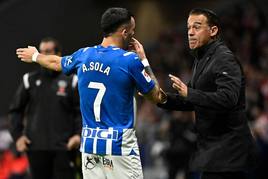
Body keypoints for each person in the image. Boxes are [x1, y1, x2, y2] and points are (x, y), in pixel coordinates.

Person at [16, 7, 167, 179]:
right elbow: (156, 97)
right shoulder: (130, 61)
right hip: (118, 147)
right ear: (124, 32)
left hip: (90, 146)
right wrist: (144, 60)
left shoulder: (84, 55)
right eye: (132, 31)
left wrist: (36, 56)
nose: (133, 35)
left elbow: (56, 62)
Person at [158, 8, 258, 179]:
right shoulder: (201, 59)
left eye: (196, 27)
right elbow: (189, 99)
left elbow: (228, 98)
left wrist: (189, 92)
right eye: (188, 27)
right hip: (214, 152)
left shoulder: (224, 58)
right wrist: (162, 98)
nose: (190, 32)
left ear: (213, 31)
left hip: (229, 153)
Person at [10, 37, 82, 179]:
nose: (42, 56)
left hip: (64, 147)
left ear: (58, 54)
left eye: (47, 52)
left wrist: (78, 135)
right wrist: (18, 136)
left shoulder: (72, 80)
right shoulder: (29, 80)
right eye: (40, 51)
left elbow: (80, 111)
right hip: (36, 148)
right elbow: (15, 111)